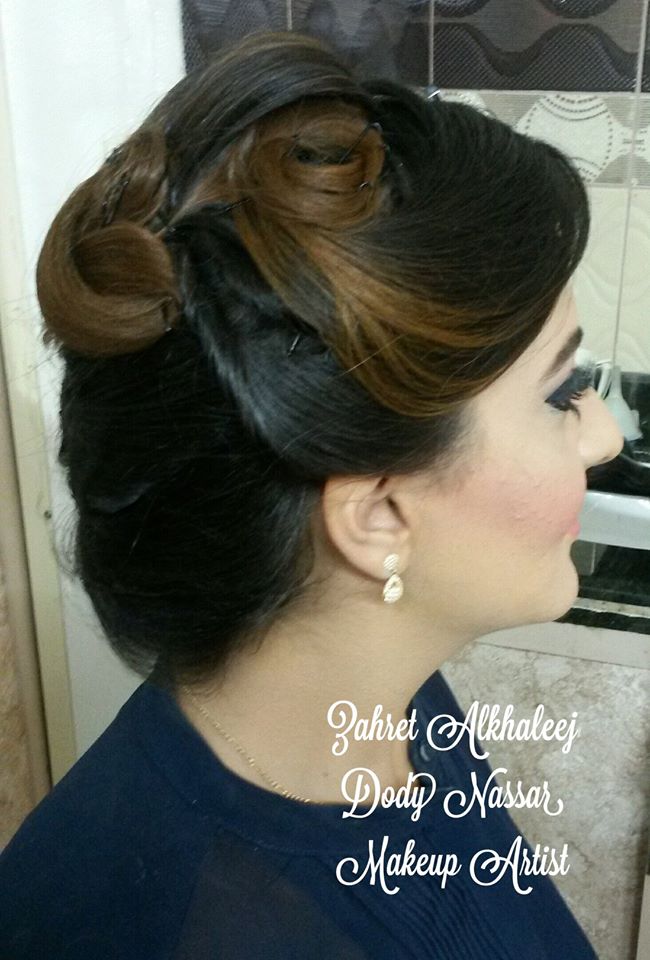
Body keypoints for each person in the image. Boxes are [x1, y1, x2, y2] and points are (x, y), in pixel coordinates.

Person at [0, 29, 622, 959]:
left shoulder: (385, 703)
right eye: (561, 394)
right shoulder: (195, 925)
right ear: (378, 516)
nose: (605, 436)